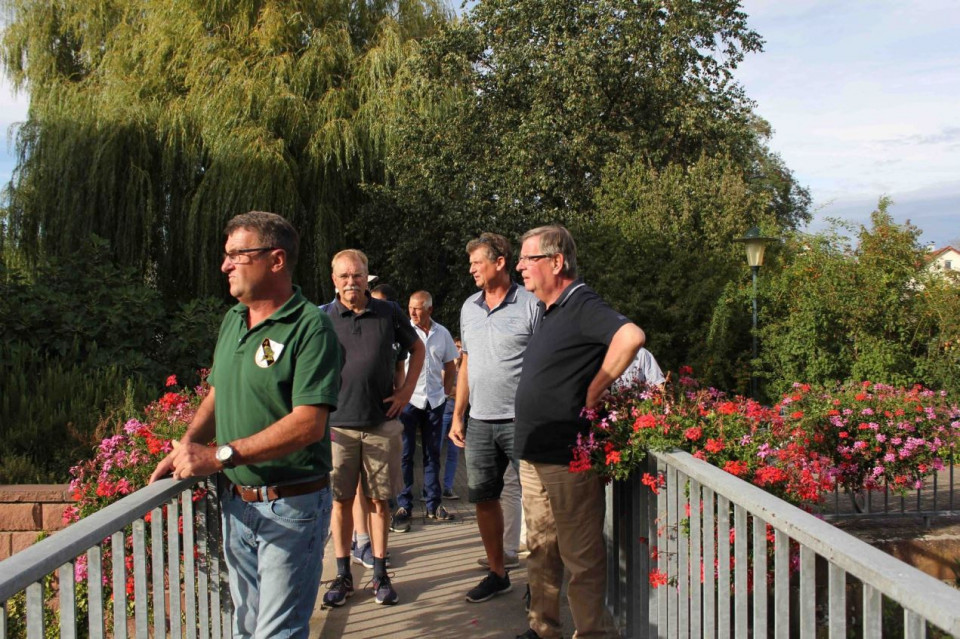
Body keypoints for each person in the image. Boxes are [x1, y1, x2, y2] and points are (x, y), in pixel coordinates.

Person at [149, 211, 342, 639]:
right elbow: (218, 394)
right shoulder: (234, 319)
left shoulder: (311, 328)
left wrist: (218, 456)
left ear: (276, 260)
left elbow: (309, 424)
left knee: (276, 633)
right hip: (236, 502)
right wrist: (187, 446)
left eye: (237, 255)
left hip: (291, 506)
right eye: (227, 255)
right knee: (247, 627)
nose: (225, 265)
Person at [513, 225, 644, 639]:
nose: (519, 267)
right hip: (537, 455)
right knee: (541, 549)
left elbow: (631, 335)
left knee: (580, 558)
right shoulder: (551, 310)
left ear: (556, 261)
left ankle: (592, 634)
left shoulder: (581, 302)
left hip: (569, 457)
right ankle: (543, 629)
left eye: (527, 259)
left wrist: (596, 386)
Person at [321, 249, 425, 607]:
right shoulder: (322, 317)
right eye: (344, 276)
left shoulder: (389, 311)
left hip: (381, 424)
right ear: (333, 279)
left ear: (368, 278)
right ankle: (343, 575)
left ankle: (381, 574)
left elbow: (417, 350)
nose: (352, 282)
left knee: (380, 501)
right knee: (341, 502)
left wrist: (406, 392)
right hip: (337, 426)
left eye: (358, 275)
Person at [449, 232, 539, 604]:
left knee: (537, 503)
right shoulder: (469, 306)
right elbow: (466, 363)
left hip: (523, 421)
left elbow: (545, 364)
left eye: (477, 263)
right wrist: (458, 415)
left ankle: (540, 584)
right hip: (481, 421)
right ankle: (497, 573)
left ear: (500, 262)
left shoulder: (531, 304)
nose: (471, 270)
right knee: (484, 498)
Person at [396, 291, 459, 522]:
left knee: (432, 454)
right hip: (408, 402)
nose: (412, 312)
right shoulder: (403, 331)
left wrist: (444, 392)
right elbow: (396, 365)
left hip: (435, 402)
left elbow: (450, 365)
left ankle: (434, 504)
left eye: (418, 308)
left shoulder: (442, 333)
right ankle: (404, 505)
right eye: (410, 307)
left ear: (430, 310)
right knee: (405, 454)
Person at [438, 337, 463, 499]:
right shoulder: (445, 365)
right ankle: (429, 488)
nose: (458, 350)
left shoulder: (467, 368)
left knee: (454, 452)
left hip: (457, 411)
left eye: (460, 347)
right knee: (435, 450)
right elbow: (440, 383)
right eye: (456, 347)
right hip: (444, 408)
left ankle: (448, 487)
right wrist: (453, 364)